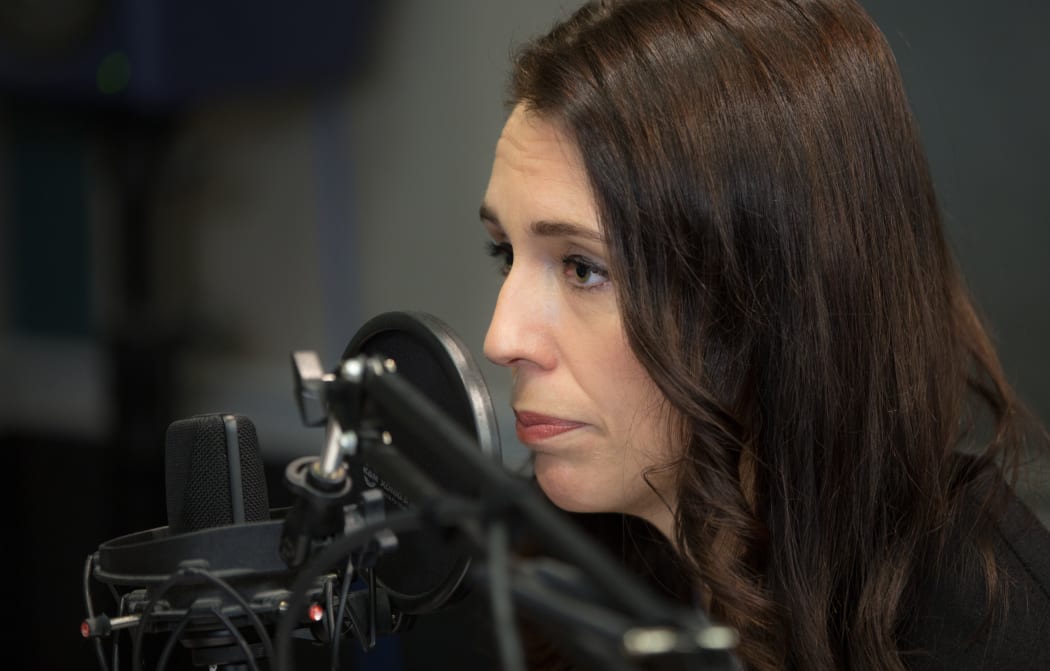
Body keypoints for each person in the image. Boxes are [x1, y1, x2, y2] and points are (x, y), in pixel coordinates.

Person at [477, 1, 1050, 669]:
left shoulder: (989, 627)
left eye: (583, 267)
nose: (502, 336)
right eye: (503, 253)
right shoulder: (528, 568)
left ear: (768, 289)